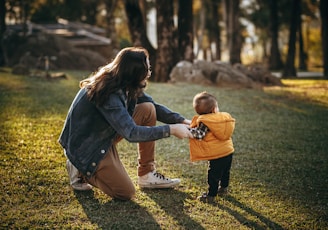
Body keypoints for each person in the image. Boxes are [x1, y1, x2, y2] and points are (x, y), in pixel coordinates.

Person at [58, 47, 193, 201]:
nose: (149, 73)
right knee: (125, 192)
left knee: (148, 109)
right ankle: (80, 169)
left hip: (103, 135)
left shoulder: (124, 80)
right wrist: (172, 129)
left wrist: (183, 121)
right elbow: (131, 133)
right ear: (134, 71)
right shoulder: (109, 92)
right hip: (87, 147)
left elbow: (152, 106)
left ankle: (147, 174)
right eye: (146, 69)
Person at [189, 91, 235, 203]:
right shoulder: (224, 118)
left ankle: (211, 195)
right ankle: (224, 188)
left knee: (213, 175)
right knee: (225, 171)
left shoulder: (205, 121)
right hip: (228, 150)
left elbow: (200, 135)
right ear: (214, 109)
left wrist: (188, 130)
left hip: (217, 154)